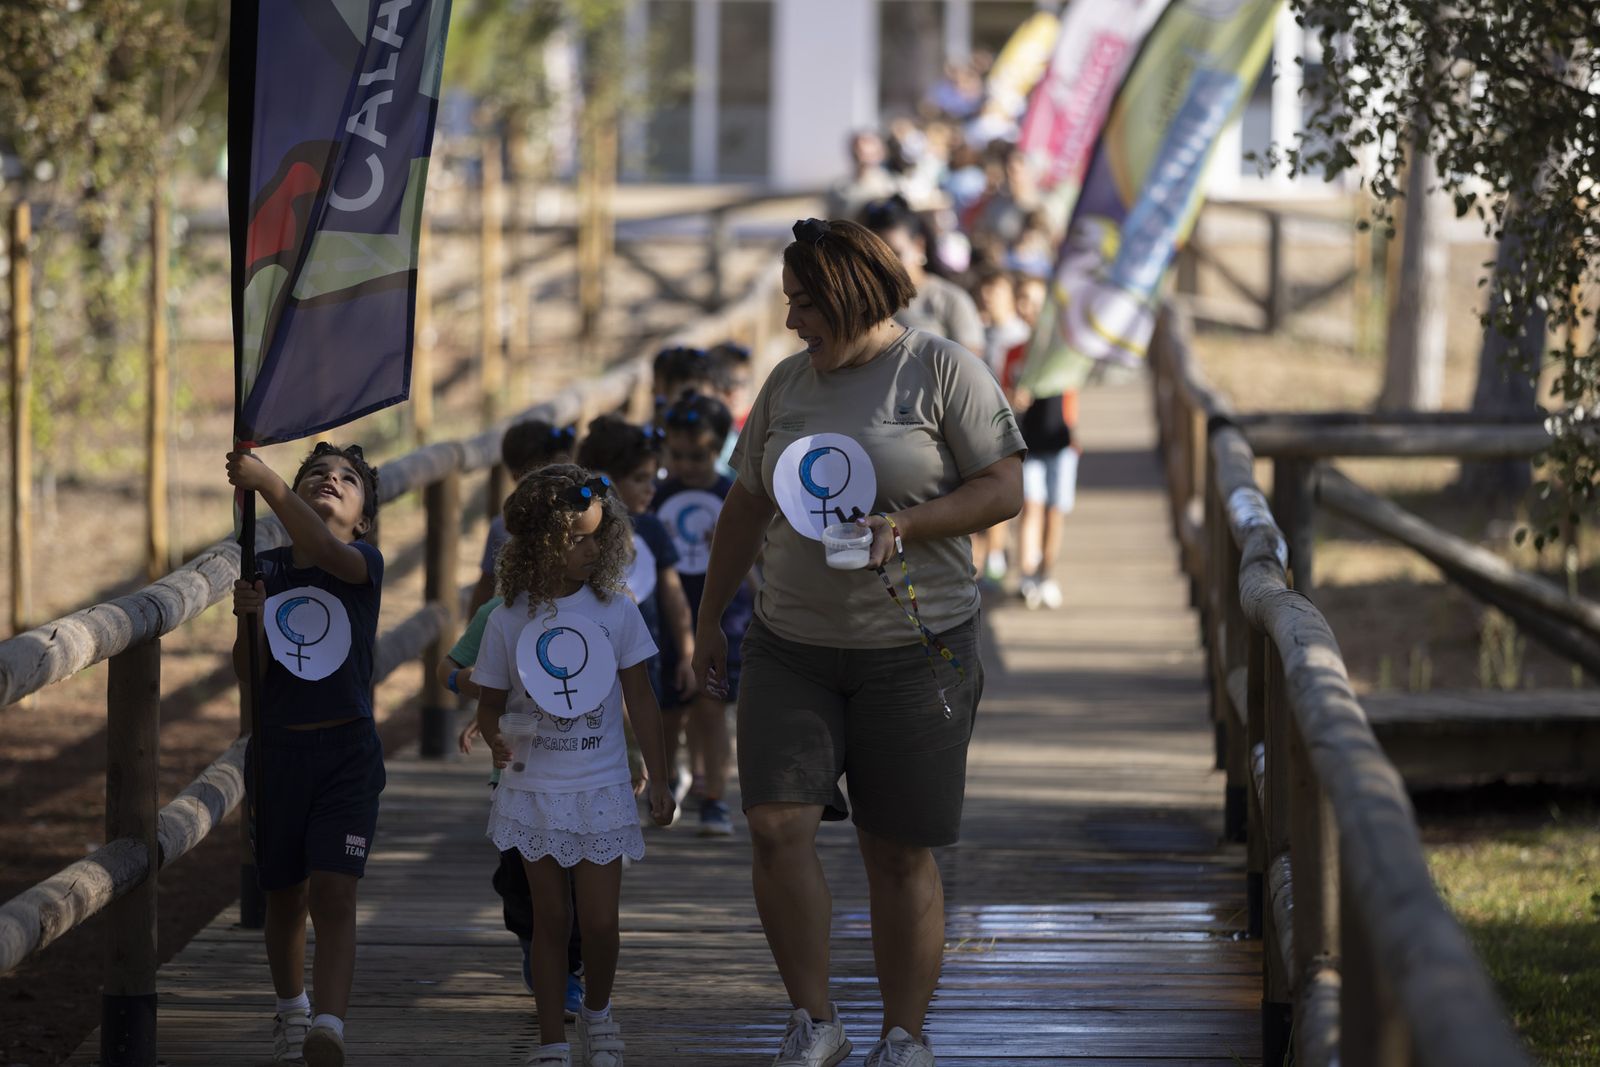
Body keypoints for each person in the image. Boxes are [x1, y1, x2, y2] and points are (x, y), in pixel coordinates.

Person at [693, 219, 1025, 1067]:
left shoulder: (943, 370)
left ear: (848, 295)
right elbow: (744, 504)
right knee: (773, 822)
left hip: (916, 648)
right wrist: (708, 618)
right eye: (789, 304)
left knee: (896, 848)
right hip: (789, 642)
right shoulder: (785, 384)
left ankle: (904, 1036)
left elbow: (1003, 487)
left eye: (805, 304)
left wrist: (905, 523)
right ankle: (816, 1021)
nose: (793, 321)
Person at [474, 466, 676, 1067]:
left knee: (602, 923)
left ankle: (598, 1015)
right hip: (533, 790)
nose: (593, 549)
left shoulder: (617, 609)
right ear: (540, 545)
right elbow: (489, 706)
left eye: (597, 537)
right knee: (549, 921)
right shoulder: (507, 617)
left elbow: (640, 695)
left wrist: (659, 776)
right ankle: (552, 1042)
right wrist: (494, 740)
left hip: (601, 788)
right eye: (577, 540)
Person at [227, 442, 386, 1067]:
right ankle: (292, 1009)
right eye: (318, 474)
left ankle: (329, 1024)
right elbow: (250, 673)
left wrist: (267, 481)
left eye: (349, 480)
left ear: (364, 519)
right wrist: (250, 620)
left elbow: (321, 550)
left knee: (335, 891)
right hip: (279, 755)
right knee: (286, 895)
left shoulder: (361, 564)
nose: (332, 481)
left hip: (348, 752)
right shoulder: (263, 567)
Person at [438, 599, 587, 1016]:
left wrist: (634, 757)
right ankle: (532, 945)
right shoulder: (498, 612)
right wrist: (487, 687)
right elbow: (448, 670)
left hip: (582, 773)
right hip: (518, 773)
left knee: (575, 881)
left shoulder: (600, 607)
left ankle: (567, 973)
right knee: (520, 878)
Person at [652, 391, 753, 836]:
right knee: (668, 710)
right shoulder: (654, 497)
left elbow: (757, 554)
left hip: (725, 618)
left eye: (699, 455)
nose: (687, 464)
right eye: (676, 454)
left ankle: (715, 797)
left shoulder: (735, 496)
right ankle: (668, 781)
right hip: (665, 619)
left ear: (719, 450)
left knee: (712, 708)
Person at [576, 414, 696, 709]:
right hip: (584, 655)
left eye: (653, 479)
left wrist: (687, 652)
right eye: (639, 479)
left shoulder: (651, 528)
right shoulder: (576, 532)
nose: (651, 489)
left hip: (643, 659)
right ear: (603, 478)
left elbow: (672, 594)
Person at [467, 419, 576, 616]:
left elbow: (484, 587)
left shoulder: (581, 521)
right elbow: (486, 585)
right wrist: (474, 633)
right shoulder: (502, 527)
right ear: (518, 477)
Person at [860, 195, 987, 358]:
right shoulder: (865, 304)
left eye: (896, 254)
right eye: (877, 257)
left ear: (919, 245)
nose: (886, 264)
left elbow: (970, 369)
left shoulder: (950, 299)